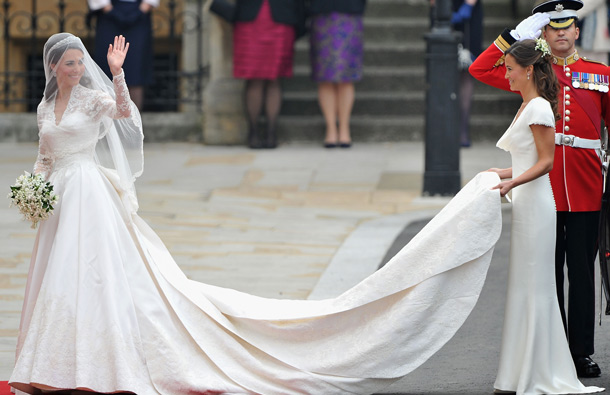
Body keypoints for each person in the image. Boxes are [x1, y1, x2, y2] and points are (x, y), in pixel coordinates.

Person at [9, 33, 508, 395]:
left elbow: (123, 115)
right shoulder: (44, 108)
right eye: (68, 64)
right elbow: (44, 154)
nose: (75, 68)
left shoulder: (97, 97)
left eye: (80, 62)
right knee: (57, 276)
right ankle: (53, 359)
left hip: (92, 194)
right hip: (60, 197)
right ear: (54, 68)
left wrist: (117, 74)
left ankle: (101, 360)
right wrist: (33, 188)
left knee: (96, 274)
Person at [469, 0, 610, 378]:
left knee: (581, 273)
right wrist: (512, 37)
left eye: (568, 26)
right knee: (548, 274)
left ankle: (580, 351)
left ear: (577, 32)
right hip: (543, 187)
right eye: (553, 27)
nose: (562, 32)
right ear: (544, 35)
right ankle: (555, 347)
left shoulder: (600, 73)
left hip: (584, 186)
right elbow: (480, 68)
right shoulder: (535, 74)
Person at [233, 0, 305, 149]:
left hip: (282, 18)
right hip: (251, 19)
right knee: (254, 78)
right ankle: (253, 132)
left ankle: (271, 132)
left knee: (274, 78)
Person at [308, 0, 366, 148]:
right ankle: (331, 128)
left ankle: (344, 128)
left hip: (349, 13)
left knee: (346, 75)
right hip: (322, 14)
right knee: (324, 75)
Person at [88, 0, 158, 110]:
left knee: (135, 71)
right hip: (109, 18)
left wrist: (140, 11)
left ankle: (133, 122)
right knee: (107, 70)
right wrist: (109, 10)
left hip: (138, 18)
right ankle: (108, 122)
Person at [451, 0, 483, 147]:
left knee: (466, 73)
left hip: (469, 14)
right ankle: (445, 129)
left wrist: (469, 4)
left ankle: (462, 131)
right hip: (443, 10)